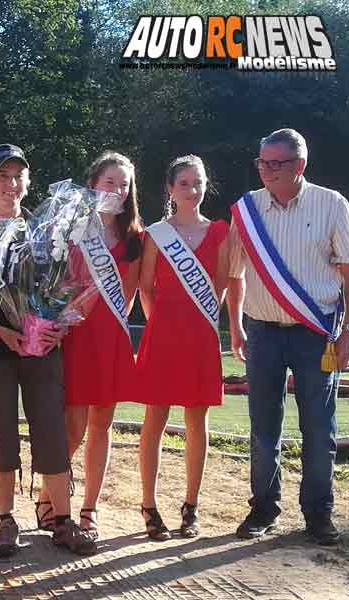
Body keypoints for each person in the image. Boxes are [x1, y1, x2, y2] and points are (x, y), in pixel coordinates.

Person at [227, 128, 349, 546]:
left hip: (315, 336)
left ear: (299, 166)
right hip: (263, 334)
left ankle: (318, 514)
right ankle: (263, 508)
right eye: (262, 162)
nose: (266, 170)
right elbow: (234, 274)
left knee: (319, 429)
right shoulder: (246, 209)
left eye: (276, 163)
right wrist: (235, 327)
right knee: (262, 428)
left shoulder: (331, 204)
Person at [0, 144, 95, 559]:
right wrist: (2, 333)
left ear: (28, 182)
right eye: (2, 176)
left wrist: (58, 326)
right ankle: (6, 522)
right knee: (0, 435)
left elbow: (69, 286)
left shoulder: (46, 231)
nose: (11, 183)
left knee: (51, 433)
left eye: (18, 175)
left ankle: (62, 519)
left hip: (41, 349)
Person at [38, 152, 142, 541]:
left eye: (124, 184)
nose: (118, 190)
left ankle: (89, 509)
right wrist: (68, 315)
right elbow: (56, 281)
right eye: (110, 182)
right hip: (75, 336)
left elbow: (128, 296)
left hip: (111, 336)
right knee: (72, 428)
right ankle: (50, 496)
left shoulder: (134, 238)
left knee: (102, 424)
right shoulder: (72, 228)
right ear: (93, 184)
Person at [135, 155, 230, 540]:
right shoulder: (156, 233)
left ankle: (191, 506)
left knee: (197, 421)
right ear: (171, 190)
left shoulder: (221, 231)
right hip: (162, 336)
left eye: (199, 182)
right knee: (154, 420)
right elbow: (144, 287)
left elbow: (221, 285)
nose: (194, 190)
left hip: (202, 337)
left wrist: (198, 323)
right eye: (185, 183)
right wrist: (163, 324)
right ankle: (149, 505)